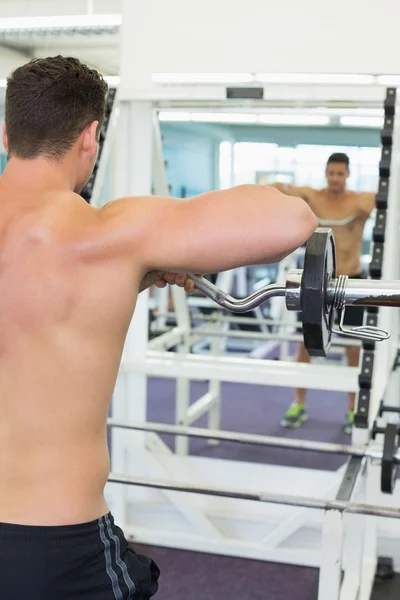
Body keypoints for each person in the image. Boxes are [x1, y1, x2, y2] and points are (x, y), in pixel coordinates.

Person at [0, 56, 317, 600]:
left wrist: (127, 279)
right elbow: (293, 219)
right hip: (52, 546)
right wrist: (134, 263)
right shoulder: (107, 236)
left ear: (6, 135)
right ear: (90, 137)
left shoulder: (109, 252)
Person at [272, 153, 376, 434]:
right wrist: (278, 188)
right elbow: (283, 189)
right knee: (305, 344)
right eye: (331, 173)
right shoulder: (313, 198)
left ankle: (353, 411)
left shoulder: (359, 201)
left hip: (350, 281)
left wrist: (373, 202)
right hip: (317, 282)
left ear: (348, 175)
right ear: (325, 173)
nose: (335, 179)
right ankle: (298, 404)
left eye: (340, 174)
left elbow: (376, 199)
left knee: (354, 349)